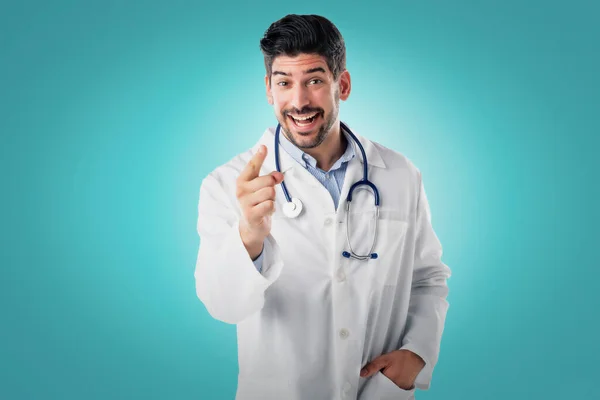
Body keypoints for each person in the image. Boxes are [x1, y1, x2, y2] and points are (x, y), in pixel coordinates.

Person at [194, 14, 451, 400]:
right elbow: (223, 307)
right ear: (268, 89)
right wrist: (249, 235)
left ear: (341, 84)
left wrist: (418, 353)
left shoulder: (399, 174)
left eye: (314, 81)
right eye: (284, 83)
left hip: (378, 392)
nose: (298, 101)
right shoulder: (227, 183)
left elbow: (427, 278)